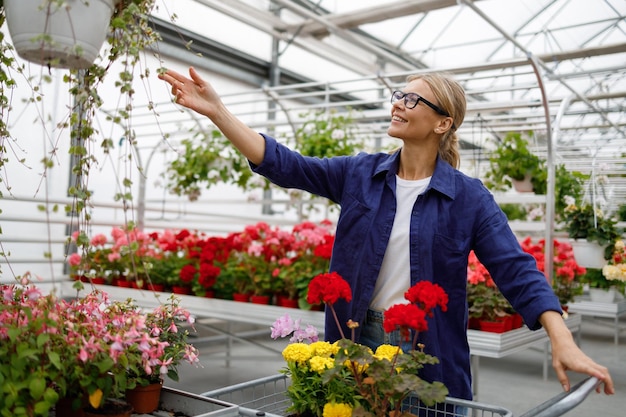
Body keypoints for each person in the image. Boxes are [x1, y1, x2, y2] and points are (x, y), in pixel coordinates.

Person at [159, 67, 614, 400]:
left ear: (442, 124)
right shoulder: (361, 174)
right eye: (400, 94)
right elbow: (287, 165)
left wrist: (562, 338)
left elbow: (516, 270)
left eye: (413, 100)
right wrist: (218, 112)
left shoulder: (470, 198)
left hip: (425, 347)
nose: (398, 103)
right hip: (355, 335)